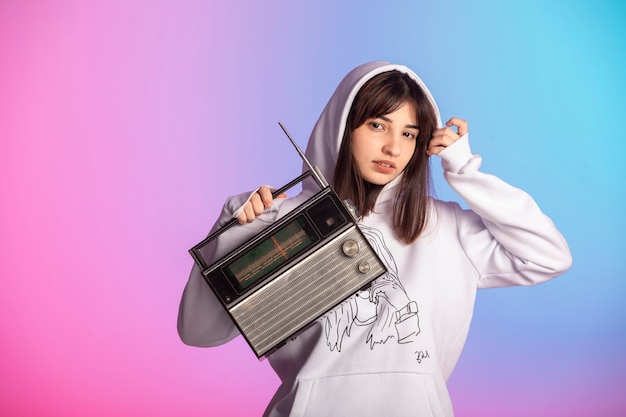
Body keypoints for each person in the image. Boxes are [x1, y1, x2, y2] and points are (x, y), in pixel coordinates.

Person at [177, 62, 572, 417]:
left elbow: (549, 256)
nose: (393, 147)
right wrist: (232, 234)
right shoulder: (283, 221)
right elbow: (199, 332)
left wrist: (465, 171)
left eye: (409, 133)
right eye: (377, 125)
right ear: (344, 125)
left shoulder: (444, 227)